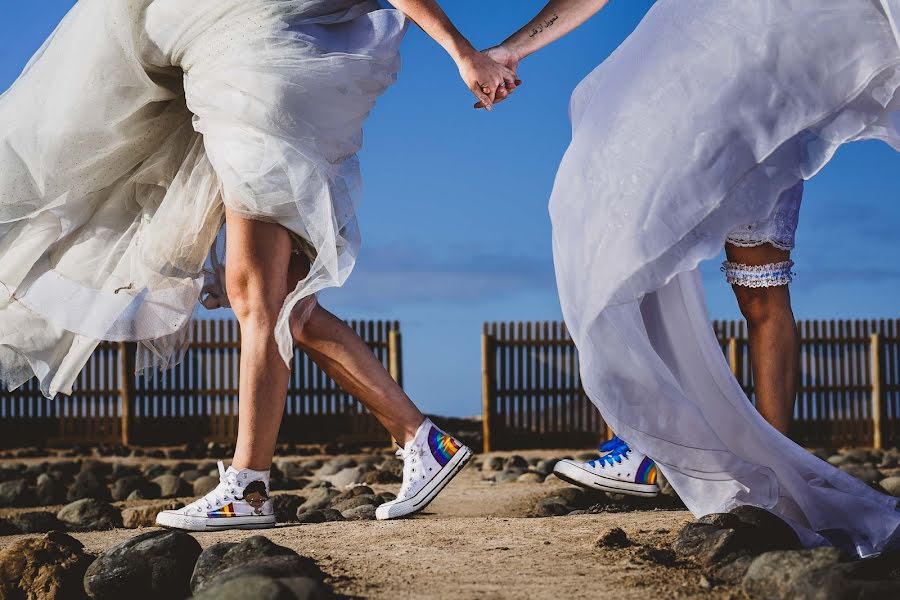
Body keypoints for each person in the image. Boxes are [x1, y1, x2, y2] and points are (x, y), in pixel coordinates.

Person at [0, 0, 515, 529]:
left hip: (258, 88)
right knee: (291, 309)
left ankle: (248, 488)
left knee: (255, 298)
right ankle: (422, 439)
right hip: (241, 82)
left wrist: (462, 51)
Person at [480, 0, 900, 556]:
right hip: (691, 81)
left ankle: (778, 473)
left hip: (765, 86)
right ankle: (655, 442)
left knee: (761, 296)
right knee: (616, 219)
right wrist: (511, 50)